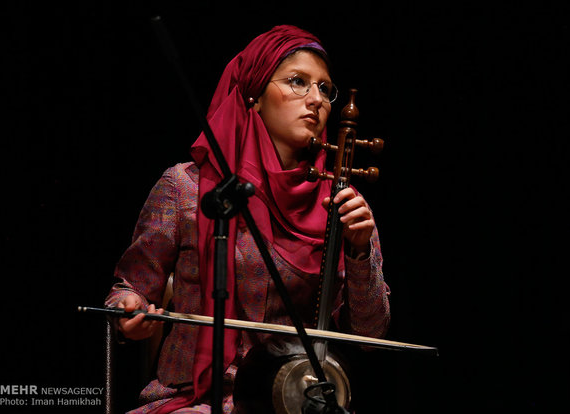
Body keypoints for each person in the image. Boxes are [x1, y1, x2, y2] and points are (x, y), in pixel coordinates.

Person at [105, 25, 390, 414]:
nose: (316, 100)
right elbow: (131, 287)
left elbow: (370, 334)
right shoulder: (187, 187)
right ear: (254, 96)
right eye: (298, 82)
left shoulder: (341, 203)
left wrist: (359, 252)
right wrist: (130, 309)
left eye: (325, 89)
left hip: (289, 400)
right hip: (194, 400)